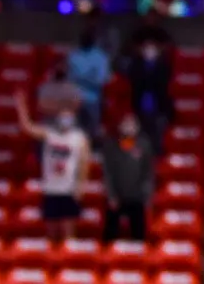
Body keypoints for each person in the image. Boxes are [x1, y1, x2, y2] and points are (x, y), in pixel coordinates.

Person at [15, 89, 91, 243]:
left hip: (69, 189)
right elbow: (27, 127)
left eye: (68, 117)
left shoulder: (79, 138)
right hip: (51, 188)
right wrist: (21, 107)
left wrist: (80, 186)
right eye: (63, 116)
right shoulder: (49, 134)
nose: (65, 120)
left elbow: (84, 163)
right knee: (51, 233)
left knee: (69, 233)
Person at [100, 113, 154, 244]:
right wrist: (111, 195)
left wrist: (147, 195)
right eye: (126, 123)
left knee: (138, 233)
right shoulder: (111, 146)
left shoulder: (144, 145)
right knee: (110, 233)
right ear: (120, 126)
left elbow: (148, 173)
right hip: (116, 196)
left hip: (137, 196)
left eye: (132, 124)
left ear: (137, 127)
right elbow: (108, 173)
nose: (129, 127)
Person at [123, 36, 172, 151]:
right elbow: (135, 82)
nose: (149, 50)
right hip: (140, 105)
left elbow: (162, 83)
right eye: (147, 47)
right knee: (140, 132)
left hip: (158, 105)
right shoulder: (136, 65)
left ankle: (156, 152)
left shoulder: (163, 66)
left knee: (157, 132)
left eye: (152, 47)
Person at [66, 25, 110, 136]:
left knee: (92, 133)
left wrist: (82, 78)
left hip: (93, 100)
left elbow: (102, 79)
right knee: (75, 132)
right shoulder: (74, 55)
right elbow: (70, 78)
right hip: (76, 100)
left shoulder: (100, 56)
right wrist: (89, 76)